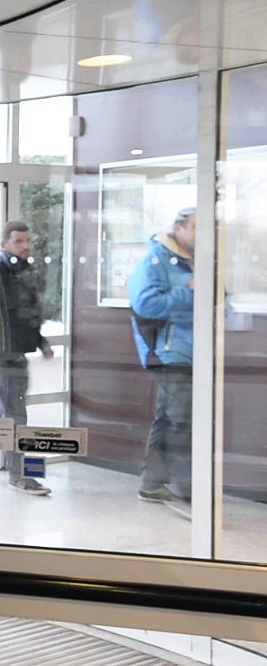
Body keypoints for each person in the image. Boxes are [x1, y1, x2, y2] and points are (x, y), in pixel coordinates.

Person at [0, 221, 55, 496]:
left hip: (15, 354)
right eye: (18, 241)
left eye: (28, 241)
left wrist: (40, 342)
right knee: (16, 415)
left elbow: (27, 315)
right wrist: (8, 351)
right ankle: (19, 475)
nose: (25, 246)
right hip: (1, 356)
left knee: (9, 412)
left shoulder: (24, 273)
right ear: (4, 245)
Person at [129, 207, 196, 518]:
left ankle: (152, 484)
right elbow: (146, 304)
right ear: (178, 229)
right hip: (170, 353)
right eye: (197, 227)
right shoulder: (155, 260)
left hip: (195, 352)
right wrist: (189, 292)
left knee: (168, 419)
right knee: (182, 421)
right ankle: (189, 488)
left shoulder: (196, 262)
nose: (203, 234)